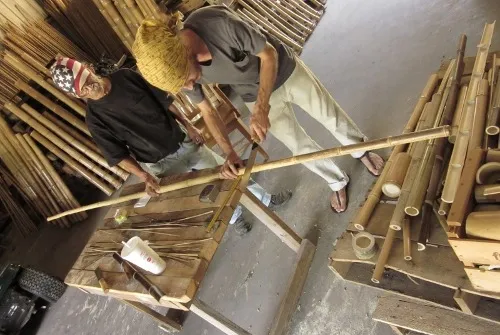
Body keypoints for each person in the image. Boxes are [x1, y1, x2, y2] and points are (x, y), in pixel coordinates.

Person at [132, 7, 384, 213]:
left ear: (185, 52)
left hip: (285, 70)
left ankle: (360, 149)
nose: (189, 86)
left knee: (329, 115)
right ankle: (336, 179)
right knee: (298, 145)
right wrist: (229, 152)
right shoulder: (178, 70)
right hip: (252, 94)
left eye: (186, 79)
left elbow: (268, 55)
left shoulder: (218, 24)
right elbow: (207, 111)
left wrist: (262, 107)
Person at [50, 57, 291, 234]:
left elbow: (164, 101)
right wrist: (144, 176)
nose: (93, 89)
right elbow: (117, 154)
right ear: (78, 96)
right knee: (202, 192)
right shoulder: (94, 119)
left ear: (90, 68)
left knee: (228, 170)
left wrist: (190, 124)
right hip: (158, 164)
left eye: (90, 80)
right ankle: (234, 217)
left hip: (181, 141)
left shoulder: (125, 77)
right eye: (86, 90)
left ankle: (266, 199)